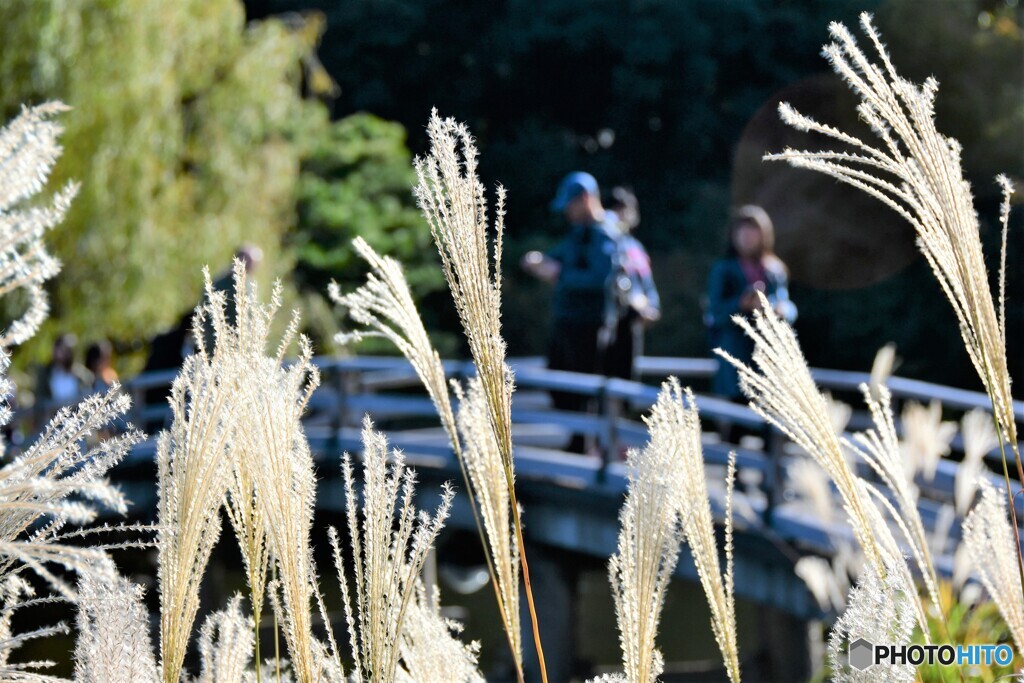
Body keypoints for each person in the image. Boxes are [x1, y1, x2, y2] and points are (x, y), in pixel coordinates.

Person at [522, 172, 620, 453]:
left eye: (571, 204)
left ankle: (584, 445)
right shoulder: (579, 233)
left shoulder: (605, 234)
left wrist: (559, 272)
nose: (567, 211)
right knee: (559, 379)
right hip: (568, 321)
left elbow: (600, 278)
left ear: (586, 200)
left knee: (584, 387)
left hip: (590, 324)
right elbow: (563, 255)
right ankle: (579, 441)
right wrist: (541, 260)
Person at [706, 205, 797, 404]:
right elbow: (714, 313)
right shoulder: (724, 269)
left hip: (768, 359)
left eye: (753, 230)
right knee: (735, 423)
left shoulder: (774, 270)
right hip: (735, 358)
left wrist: (775, 310)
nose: (747, 236)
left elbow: (788, 307)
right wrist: (740, 304)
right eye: (742, 230)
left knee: (767, 422)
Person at [604, 187, 660, 380]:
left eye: (627, 208)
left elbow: (646, 283)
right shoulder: (604, 241)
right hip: (608, 322)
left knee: (627, 378)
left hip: (632, 323)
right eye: (617, 209)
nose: (623, 214)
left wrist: (651, 305)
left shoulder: (635, 247)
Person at [36, 334, 89, 405]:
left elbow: (86, 394)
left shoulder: (80, 374)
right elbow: (41, 399)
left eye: (65, 350)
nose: (60, 354)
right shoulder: (46, 374)